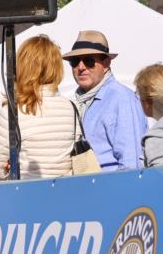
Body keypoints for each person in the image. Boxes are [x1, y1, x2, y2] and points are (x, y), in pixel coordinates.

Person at [0, 35, 79, 180]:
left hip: (27, 195)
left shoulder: (12, 112)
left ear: (21, 66)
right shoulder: (71, 108)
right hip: (65, 195)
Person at [63, 30, 146, 171]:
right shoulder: (79, 101)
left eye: (89, 61)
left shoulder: (122, 99)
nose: (81, 67)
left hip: (111, 188)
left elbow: (131, 163)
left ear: (106, 63)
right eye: (75, 62)